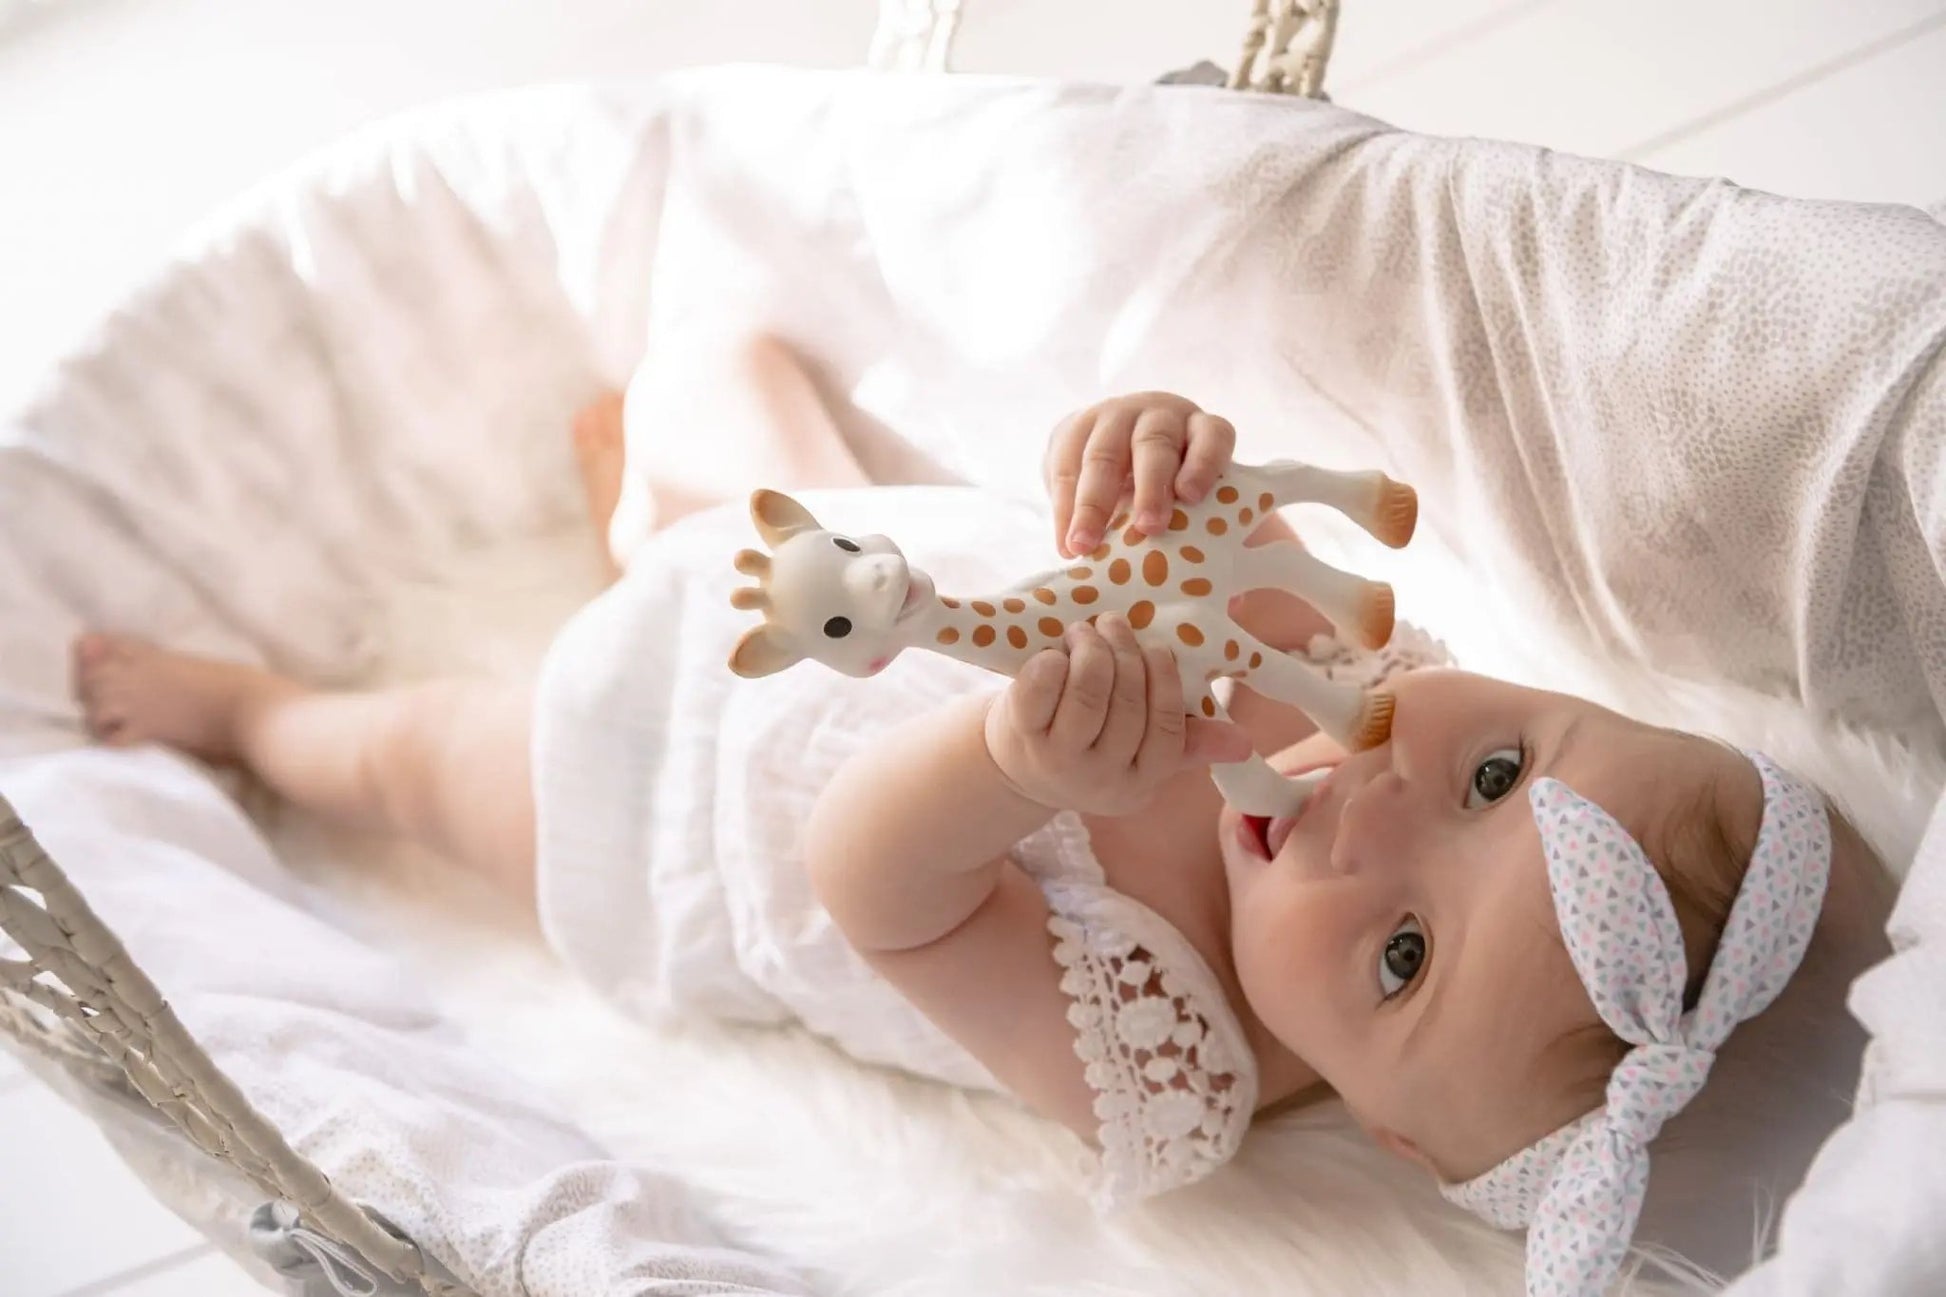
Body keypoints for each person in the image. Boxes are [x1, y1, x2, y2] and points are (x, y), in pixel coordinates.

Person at [70, 336, 1892, 1293]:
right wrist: (1149, 444)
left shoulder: (1178, 1062)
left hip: (671, 801)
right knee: (725, 371)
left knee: (418, 753)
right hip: (854, 579)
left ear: (1398, 1145)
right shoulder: (1343, 665)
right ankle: (652, 529)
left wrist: (1016, 777)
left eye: (1404, 957)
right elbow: (1127, 540)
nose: (1374, 816)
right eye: (1497, 773)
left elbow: (869, 887)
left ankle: (260, 715)